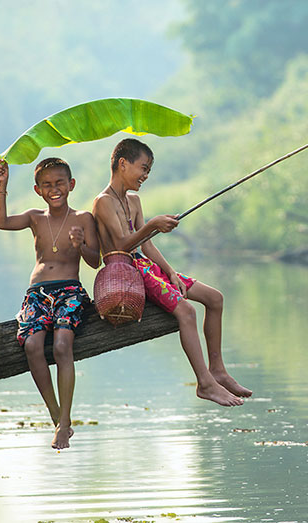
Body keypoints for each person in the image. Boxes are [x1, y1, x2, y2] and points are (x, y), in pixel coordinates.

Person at [93, 138, 252, 407]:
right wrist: (153, 224)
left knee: (215, 298)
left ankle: (218, 370)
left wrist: (171, 272)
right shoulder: (102, 202)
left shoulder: (134, 200)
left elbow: (147, 245)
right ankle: (204, 383)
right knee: (187, 312)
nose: (145, 176)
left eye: (149, 171)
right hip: (126, 272)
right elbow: (122, 244)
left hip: (147, 267)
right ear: (122, 164)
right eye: (143, 168)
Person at [0, 157, 100, 449]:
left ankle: (65, 423)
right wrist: (3, 185)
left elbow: (94, 260)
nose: (55, 189)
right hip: (37, 292)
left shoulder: (83, 218)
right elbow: (0, 222)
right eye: (47, 185)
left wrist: (81, 245)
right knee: (32, 346)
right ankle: (57, 418)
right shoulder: (35, 217)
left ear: (71, 185)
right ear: (38, 189)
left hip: (70, 291)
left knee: (63, 346)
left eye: (60, 183)